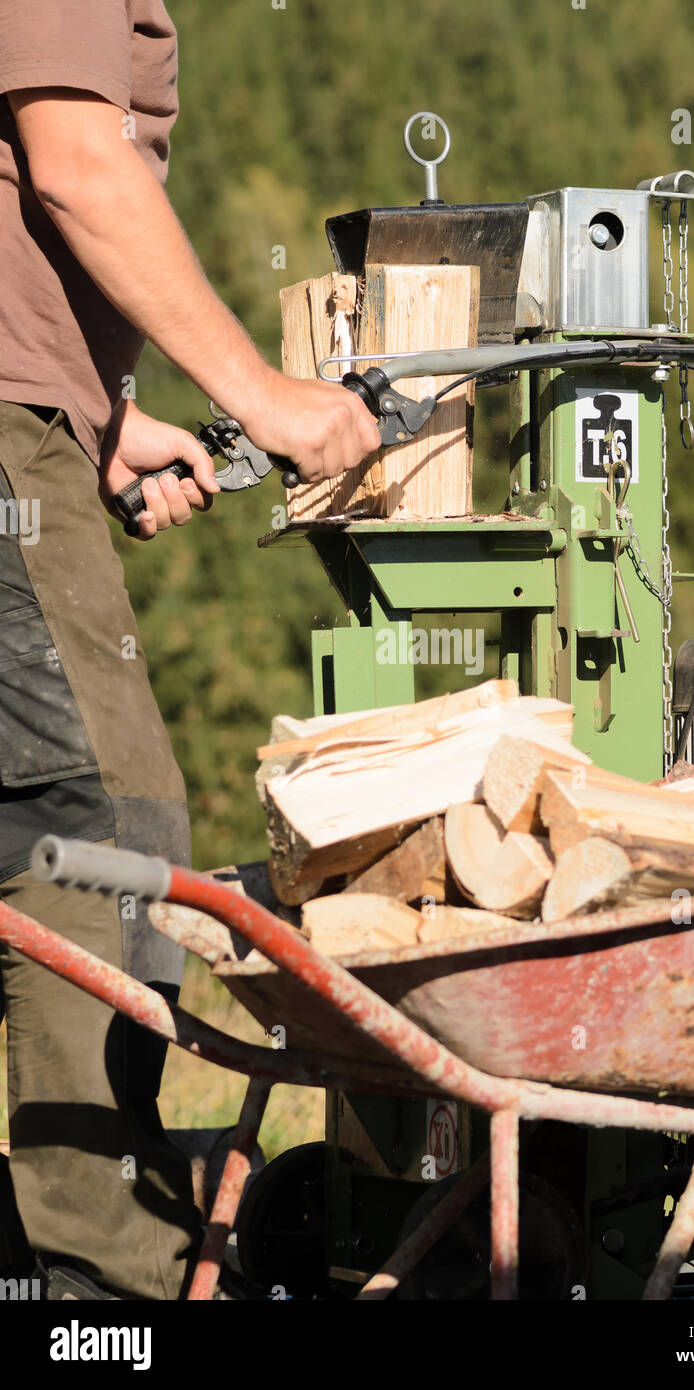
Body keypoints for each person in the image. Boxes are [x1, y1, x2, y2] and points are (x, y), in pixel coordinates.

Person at [0, 0, 379, 1300]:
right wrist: (261, 395)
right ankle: (101, 1296)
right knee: (99, 837)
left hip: (40, 418)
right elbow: (75, 163)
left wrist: (105, 412)